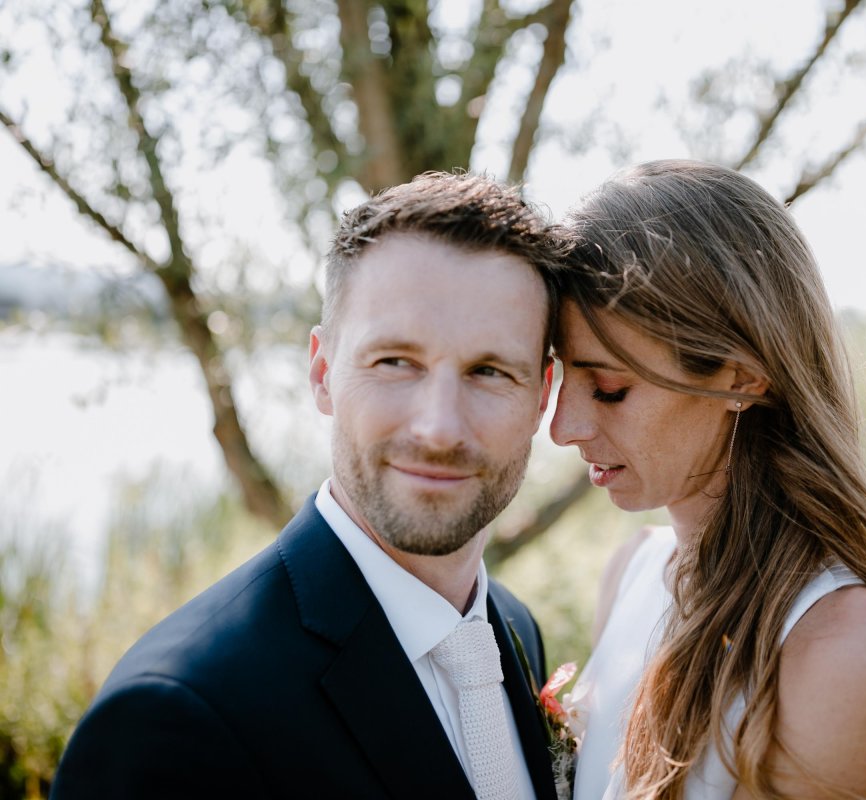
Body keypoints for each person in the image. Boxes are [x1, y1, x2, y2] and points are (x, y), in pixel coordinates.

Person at [51, 172, 568, 800]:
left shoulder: (513, 628)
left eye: (488, 371)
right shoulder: (174, 716)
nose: (438, 428)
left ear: (541, 397)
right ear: (323, 374)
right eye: (395, 362)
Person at [551, 160, 866, 799]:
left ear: (743, 377)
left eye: (608, 388)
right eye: (558, 375)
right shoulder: (631, 570)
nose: (563, 427)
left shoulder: (847, 647)